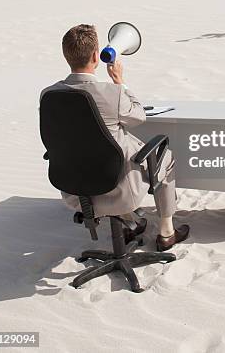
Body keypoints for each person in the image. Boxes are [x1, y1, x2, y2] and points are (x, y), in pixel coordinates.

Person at [40, 24, 189, 251]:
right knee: (165, 157)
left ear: (66, 56)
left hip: (75, 193)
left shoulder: (48, 94)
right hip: (118, 190)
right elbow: (138, 116)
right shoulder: (112, 93)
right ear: (94, 56)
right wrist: (120, 82)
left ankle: (131, 222)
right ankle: (166, 232)